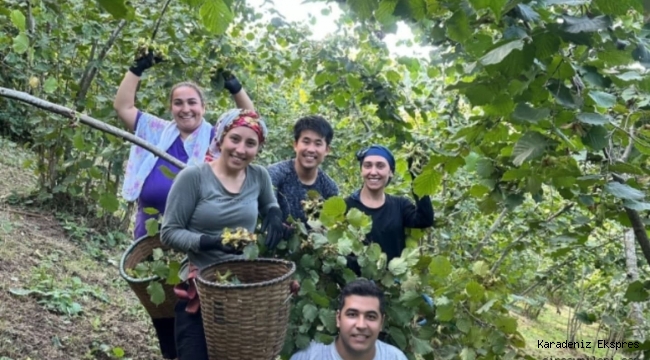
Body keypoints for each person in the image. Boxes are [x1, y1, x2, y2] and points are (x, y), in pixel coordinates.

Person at [114, 50, 253, 359]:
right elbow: (123, 106)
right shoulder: (155, 130)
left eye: (192, 102)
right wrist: (136, 68)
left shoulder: (216, 138)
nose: (185, 109)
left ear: (203, 107)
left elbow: (250, 120)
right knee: (159, 303)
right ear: (171, 107)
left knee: (191, 305)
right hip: (151, 236)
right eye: (179, 102)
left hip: (196, 240)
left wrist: (234, 86)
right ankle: (170, 354)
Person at [160, 109, 285, 360]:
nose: (241, 149)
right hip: (199, 289)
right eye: (235, 139)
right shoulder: (194, 177)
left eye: (251, 143)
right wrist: (209, 242)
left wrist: (274, 213)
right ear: (221, 138)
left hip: (240, 291)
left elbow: (269, 203)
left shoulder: (258, 176)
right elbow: (169, 233)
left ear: (258, 148)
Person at [345, 145, 434, 272]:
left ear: (390, 171)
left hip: (393, 286)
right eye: (367, 165)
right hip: (356, 288)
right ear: (361, 170)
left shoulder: (400, 205)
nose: (373, 172)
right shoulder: (347, 206)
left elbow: (425, 219)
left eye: (380, 166)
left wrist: (417, 176)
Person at [290, 279, 408, 360]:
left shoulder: (395, 358)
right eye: (352, 314)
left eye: (371, 317)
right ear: (338, 318)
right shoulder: (308, 357)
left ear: (381, 323)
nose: (361, 325)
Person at [267, 115, 338, 233]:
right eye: (306, 141)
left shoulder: (329, 188)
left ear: (326, 150)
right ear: (295, 144)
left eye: (318, 143)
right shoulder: (275, 174)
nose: (311, 149)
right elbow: (267, 205)